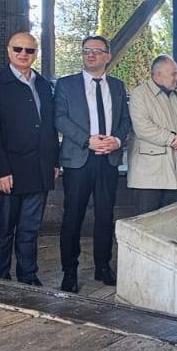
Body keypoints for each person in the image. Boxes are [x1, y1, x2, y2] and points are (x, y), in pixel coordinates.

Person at [0, 31, 57, 286]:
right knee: (4, 229)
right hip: (8, 172)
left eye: (29, 50)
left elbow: (49, 127)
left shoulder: (43, 85)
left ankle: (28, 277)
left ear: (35, 53)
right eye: (18, 49)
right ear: (8, 50)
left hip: (39, 169)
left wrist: (54, 162)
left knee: (30, 229)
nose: (23, 54)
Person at [54, 34, 130, 291]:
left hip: (108, 159)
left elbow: (125, 120)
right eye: (86, 50)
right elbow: (60, 118)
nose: (90, 54)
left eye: (97, 51)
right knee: (72, 217)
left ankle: (103, 266)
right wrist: (87, 141)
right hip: (79, 159)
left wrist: (116, 141)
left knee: (105, 216)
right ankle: (69, 271)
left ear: (107, 57)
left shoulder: (117, 86)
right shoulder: (66, 84)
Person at [128, 55, 177, 213]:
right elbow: (143, 127)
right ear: (158, 75)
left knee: (175, 221)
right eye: (173, 74)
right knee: (146, 223)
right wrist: (173, 139)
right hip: (148, 177)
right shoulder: (139, 94)